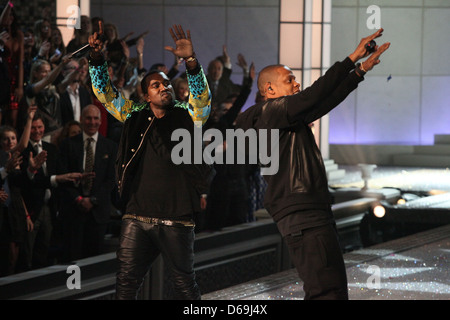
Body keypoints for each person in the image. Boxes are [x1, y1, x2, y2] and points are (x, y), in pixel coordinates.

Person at [235, 29, 390, 300]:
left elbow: (323, 101)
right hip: (302, 213)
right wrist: (352, 57)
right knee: (326, 291)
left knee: (330, 289)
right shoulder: (271, 113)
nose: (297, 84)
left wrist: (359, 71)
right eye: (290, 79)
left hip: (307, 210)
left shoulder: (285, 116)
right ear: (270, 89)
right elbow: (315, 95)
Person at [88, 22, 213, 300]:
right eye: (156, 85)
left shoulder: (185, 113)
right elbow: (105, 95)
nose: (164, 87)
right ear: (146, 95)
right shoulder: (134, 113)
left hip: (176, 217)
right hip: (136, 215)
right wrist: (96, 59)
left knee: (184, 285)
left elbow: (202, 102)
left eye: (167, 83)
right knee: (126, 283)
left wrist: (191, 62)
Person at [19, 114, 82, 270]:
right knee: (27, 253)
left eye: (40, 127)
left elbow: (59, 172)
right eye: (33, 127)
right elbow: (30, 182)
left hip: (50, 207)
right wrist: (57, 178)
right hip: (31, 209)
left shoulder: (51, 149)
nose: (37, 131)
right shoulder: (22, 150)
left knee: (44, 250)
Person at [58, 104, 117, 262]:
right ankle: (73, 288)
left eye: (96, 118)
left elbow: (111, 180)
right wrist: (78, 199)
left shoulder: (110, 147)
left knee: (94, 263)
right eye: (88, 118)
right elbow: (62, 177)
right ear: (81, 120)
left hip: (98, 214)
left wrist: (93, 200)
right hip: (73, 212)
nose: (92, 122)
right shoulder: (67, 145)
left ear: (100, 121)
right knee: (72, 260)